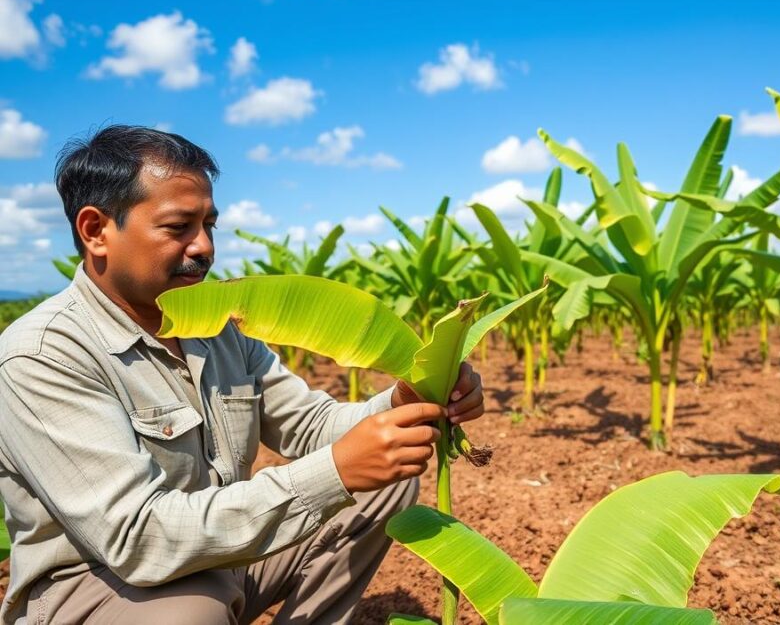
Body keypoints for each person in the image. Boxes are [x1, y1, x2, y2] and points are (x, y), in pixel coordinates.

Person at [0, 126, 485, 624]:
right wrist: (333, 472)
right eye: (178, 227)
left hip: (218, 559)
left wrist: (403, 404)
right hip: (98, 589)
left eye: (209, 224)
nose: (204, 246)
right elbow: (137, 538)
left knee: (386, 475)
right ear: (95, 230)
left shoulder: (215, 326)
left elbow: (310, 425)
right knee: (192, 613)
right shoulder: (43, 355)